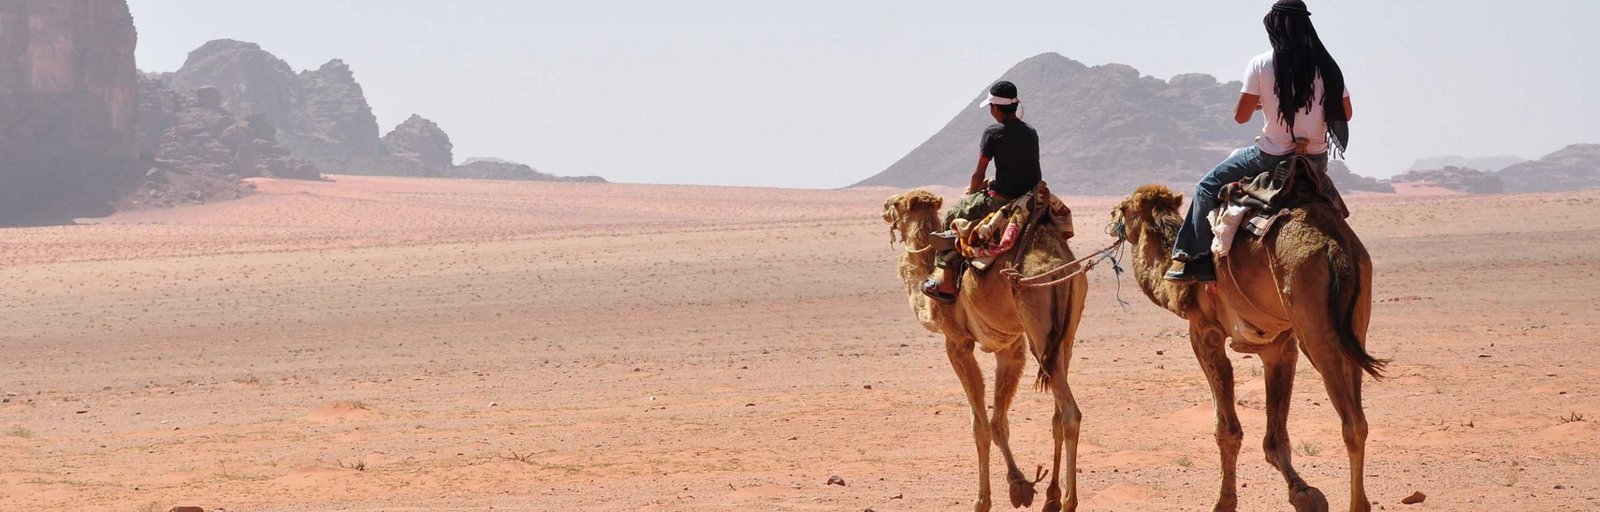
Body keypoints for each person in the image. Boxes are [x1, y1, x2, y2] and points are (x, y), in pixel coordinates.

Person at [1166, 0, 1354, 282]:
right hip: (1315, 160)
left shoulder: (1262, 63)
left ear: (1275, 28)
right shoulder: (1327, 66)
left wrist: (1263, 103)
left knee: (1205, 187)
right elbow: (1345, 114)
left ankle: (1195, 258)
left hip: (1269, 156)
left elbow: (1240, 116)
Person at [921, 80, 1042, 304]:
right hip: (1030, 198)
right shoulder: (1031, 132)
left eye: (991, 107)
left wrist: (971, 195)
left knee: (953, 214)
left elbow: (979, 173)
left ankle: (946, 281)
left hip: (1001, 200)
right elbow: (1026, 169)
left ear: (995, 108)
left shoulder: (993, 132)